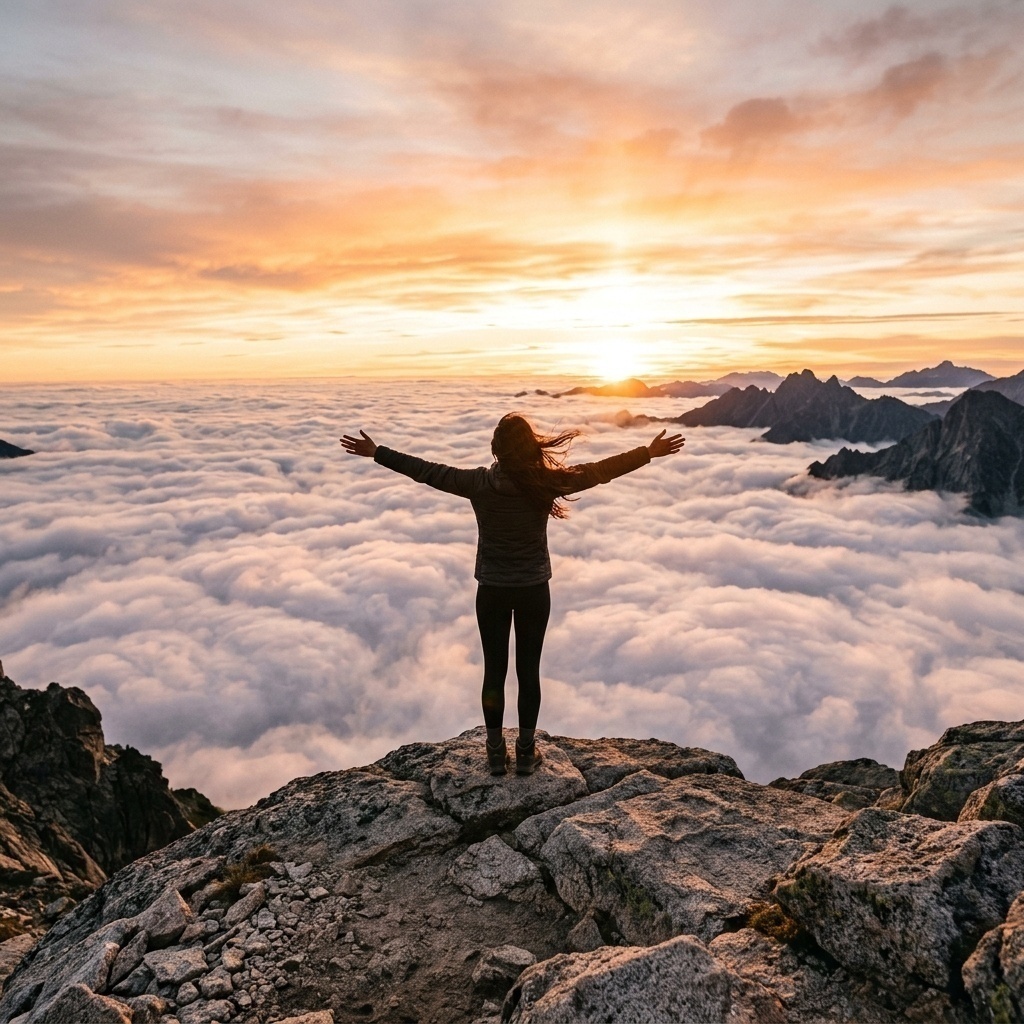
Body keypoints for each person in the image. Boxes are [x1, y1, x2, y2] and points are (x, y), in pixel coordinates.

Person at [341, 414, 684, 777]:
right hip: (534, 589)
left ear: (495, 450)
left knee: (494, 670)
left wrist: (378, 453)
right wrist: (647, 453)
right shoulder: (545, 482)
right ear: (530, 447)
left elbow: (426, 471)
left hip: (492, 589)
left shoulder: (476, 483)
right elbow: (599, 471)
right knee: (528, 671)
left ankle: (493, 752)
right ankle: (524, 751)